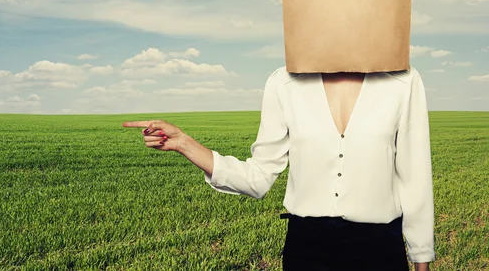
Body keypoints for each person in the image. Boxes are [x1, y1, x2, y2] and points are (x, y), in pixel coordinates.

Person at [123, 65, 435, 271]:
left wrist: (421, 256)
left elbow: (415, 175)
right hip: (308, 247)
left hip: (378, 247)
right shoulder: (284, 83)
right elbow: (258, 177)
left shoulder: (403, 82)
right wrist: (184, 143)